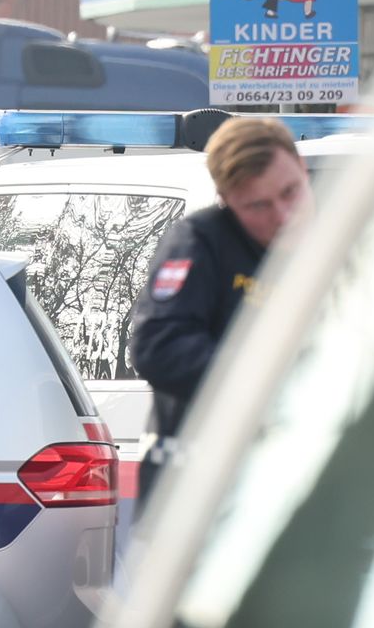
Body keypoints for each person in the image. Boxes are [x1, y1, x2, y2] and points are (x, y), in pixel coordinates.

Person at [127, 112, 313, 489]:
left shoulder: (341, 237)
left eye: (290, 192)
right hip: (199, 493)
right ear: (226, 199)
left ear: (302, 167)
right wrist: (265, 380)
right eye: (258, 206)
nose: (283, 215)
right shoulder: (201, 243)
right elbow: (157, 346)